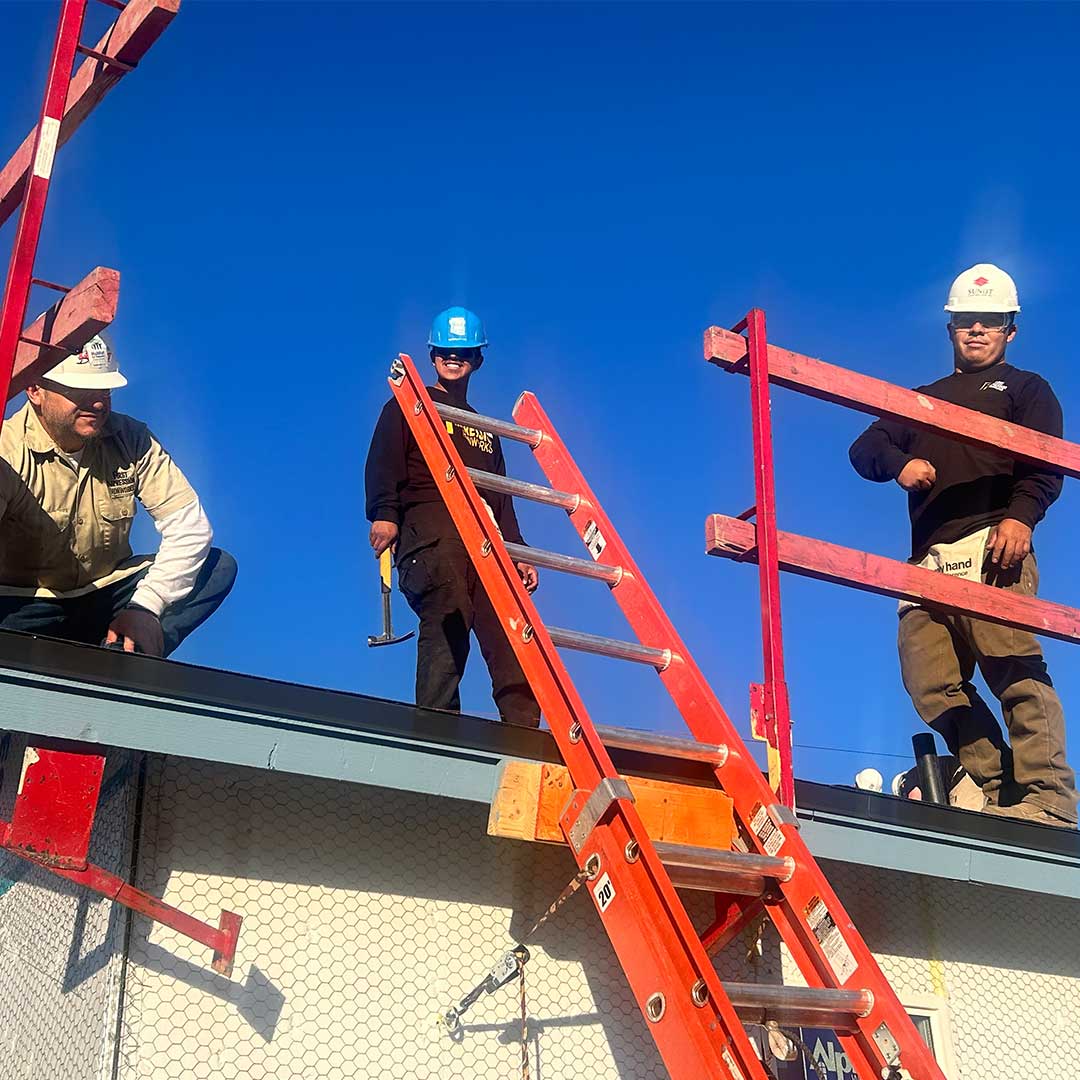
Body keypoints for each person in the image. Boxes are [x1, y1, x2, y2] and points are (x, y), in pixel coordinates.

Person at [849, 263, 1077, 828]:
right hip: (928, 561)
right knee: (930, 683)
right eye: (966, 321)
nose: (977, 330)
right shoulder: (921, 400)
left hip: (994, 545)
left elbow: (1046, 464)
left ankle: (1048, 797)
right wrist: (900, 463)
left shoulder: (1025, 389)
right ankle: (1000, 790)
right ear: (950, 328)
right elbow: (865, 447)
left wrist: (1021, 519)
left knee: (1013, 669)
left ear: (1010, 330)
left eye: (990, 322)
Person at [0, 335, 236, 657]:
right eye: (81, 392)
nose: (98, 404)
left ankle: (123, 661)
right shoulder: (7, 450)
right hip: (24, 604)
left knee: (216, 567)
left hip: (108, 598)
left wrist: (146, 607)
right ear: (35, 389)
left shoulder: (132, 439)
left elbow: (189, 528)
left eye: (105, 391)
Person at [365, 306, 541, 727]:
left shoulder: (483, 429)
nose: (453, 358)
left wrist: (519, 552)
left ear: (477, 360)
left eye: (463, 353)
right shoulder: (409, 406)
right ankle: (437, 725)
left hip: (484, 536)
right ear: (432, 355)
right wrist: (385, 514)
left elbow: (501, 497)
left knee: (511, 628)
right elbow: (383, 463)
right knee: (450, 603)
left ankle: (524, 733)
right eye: (445, 350)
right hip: (432, 529)